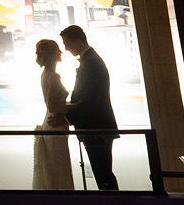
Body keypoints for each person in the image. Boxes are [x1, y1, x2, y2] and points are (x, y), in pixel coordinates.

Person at [61, 25, 119, 190]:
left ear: (78, 41)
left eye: (67, 43)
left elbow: (90, 101)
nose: (65, 48)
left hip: (96, 128)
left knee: (103, 175)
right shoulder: (91, 60)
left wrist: (66, 117)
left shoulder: (91, 63)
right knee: (103, 173)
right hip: (98, 127)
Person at [31, 38, 74, 190]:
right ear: (53, 54)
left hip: (49, 123)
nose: (61, 52)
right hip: (55, 126)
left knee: (53, 169)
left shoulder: (45, 74)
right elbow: (54, 106)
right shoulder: (54, 76)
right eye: (58, 49)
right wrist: (76, 106)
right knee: (59, 168)